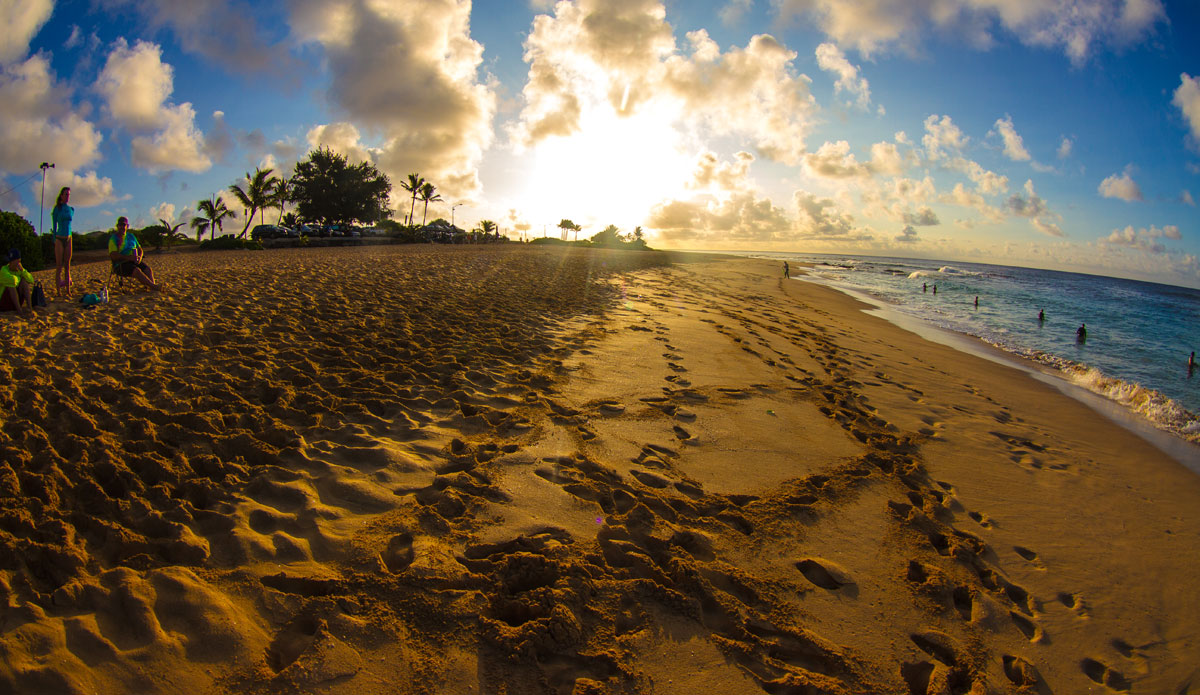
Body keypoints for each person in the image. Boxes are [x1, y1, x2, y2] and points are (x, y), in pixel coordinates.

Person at [109, 217, 162, 291]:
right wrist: (128, 258)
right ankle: (154, 286)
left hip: (134, 260)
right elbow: (113, 256)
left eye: (124, 225)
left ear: (127, 226)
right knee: (136, 270)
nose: (122, 227)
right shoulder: (114, 238)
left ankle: (152, 286)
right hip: (120, 264)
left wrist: (139, 257)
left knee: (148, 270)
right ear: (117, 226)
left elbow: (139, 249)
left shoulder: (131, 236)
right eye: (120, 225)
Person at [50, 186, 73, 294]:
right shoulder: (57, 209)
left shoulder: (71, 209)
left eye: (69, 194)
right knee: (59, 265)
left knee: (67, 265)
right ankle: (59, 291)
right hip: (59, 238)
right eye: (66, 194)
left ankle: (68, 290)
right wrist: (54, 239)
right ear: (61, 195)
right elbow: (54, 225)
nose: (67, 196)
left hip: (69, 238)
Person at [1, 248, 36, 315]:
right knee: (11, 285)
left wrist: (22, 271)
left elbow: (31, 280)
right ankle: (19, 310)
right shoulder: (4, 270)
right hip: (4, 303)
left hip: (17, 300)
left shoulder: (20, 270)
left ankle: (30, 307)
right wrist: (19, 277)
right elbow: (13, 281)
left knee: (24, 281)